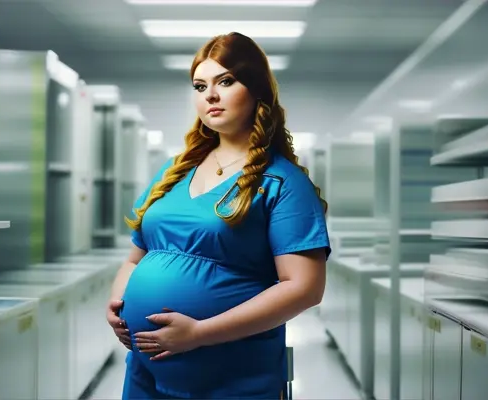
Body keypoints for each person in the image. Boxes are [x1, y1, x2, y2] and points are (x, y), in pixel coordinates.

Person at [105, 31, 330, 400]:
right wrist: (119, 307)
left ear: (257, 89)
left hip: (230, 375)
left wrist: (199, 333)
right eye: (199, 85)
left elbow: (304, 288)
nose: (210, 95)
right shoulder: (174, 172)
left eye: (225, 81)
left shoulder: (281, 183)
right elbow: (136, 257)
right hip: (148, 369)